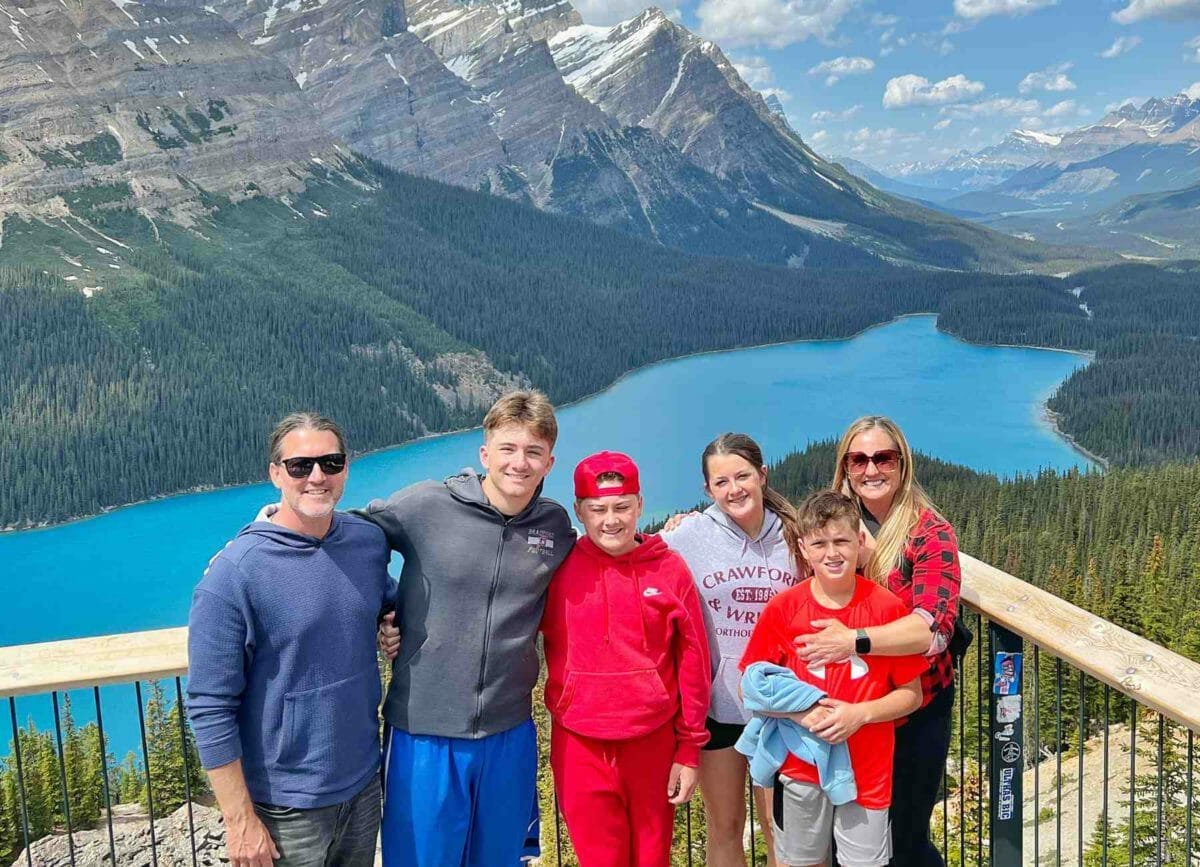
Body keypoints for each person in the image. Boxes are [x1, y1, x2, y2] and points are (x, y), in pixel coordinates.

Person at [363, 390, 576, 867]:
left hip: (509, 732)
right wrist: (384, 604)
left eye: (533, 452)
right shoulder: (426, 505)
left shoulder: (555, 527)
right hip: (423, 732)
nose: (519, 463)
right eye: (508, 449)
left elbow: (601, 562)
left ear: (549, 462)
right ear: (485, 454)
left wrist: (661, 542)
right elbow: (352, 540)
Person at [187, 413, 394, 867]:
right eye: (300, 466)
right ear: (276, 473)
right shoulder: (234, 573)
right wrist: (240, 821)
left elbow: (385, 602)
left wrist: (391, 624)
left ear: (346, 468)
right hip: (284, 806)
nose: (317, 476)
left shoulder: (367, 543)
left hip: (362, 783)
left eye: (330, 462)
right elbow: (209, 705)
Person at [794, 416, 963, 867]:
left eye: (883, 457)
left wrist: (854, 639)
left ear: (902, 463)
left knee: (905, 836)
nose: (872, 469)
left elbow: (931, 631)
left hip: (917, 708)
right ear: (845, 466)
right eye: (859, 459)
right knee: (842, 837)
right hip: (845, 706)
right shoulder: (836, 525)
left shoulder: (929, 533)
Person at [541, 451, 712, 867]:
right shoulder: (556, 569)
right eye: (597, 509)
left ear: (639, 504)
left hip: (652, 743)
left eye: (621, 507)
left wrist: (688, 751)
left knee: (652, 860)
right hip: (579, 745)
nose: (610, 520)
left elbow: (693, 661)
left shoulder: (669, 569)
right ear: (579, 510)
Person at [740, 491, 926, 867]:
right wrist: (801, 715)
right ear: (803, 549)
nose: (832, 553)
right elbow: (753, 683)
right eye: (819, 543)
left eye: (842, 541)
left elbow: (912, 695)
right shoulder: (784, 609)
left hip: (869, 771)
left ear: (860, 542)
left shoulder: (888, 609)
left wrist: (858, 715)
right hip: (800, 768)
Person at [660, 433, 802, 867]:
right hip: (717, 708)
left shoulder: (795, 535)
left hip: (780, 708)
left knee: (782, 832)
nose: (734, 489)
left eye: (742, 476)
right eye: (721, 482)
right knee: (724, 828)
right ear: (707, 490)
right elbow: (634, 567)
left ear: (762, 475)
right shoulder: (689, 537)